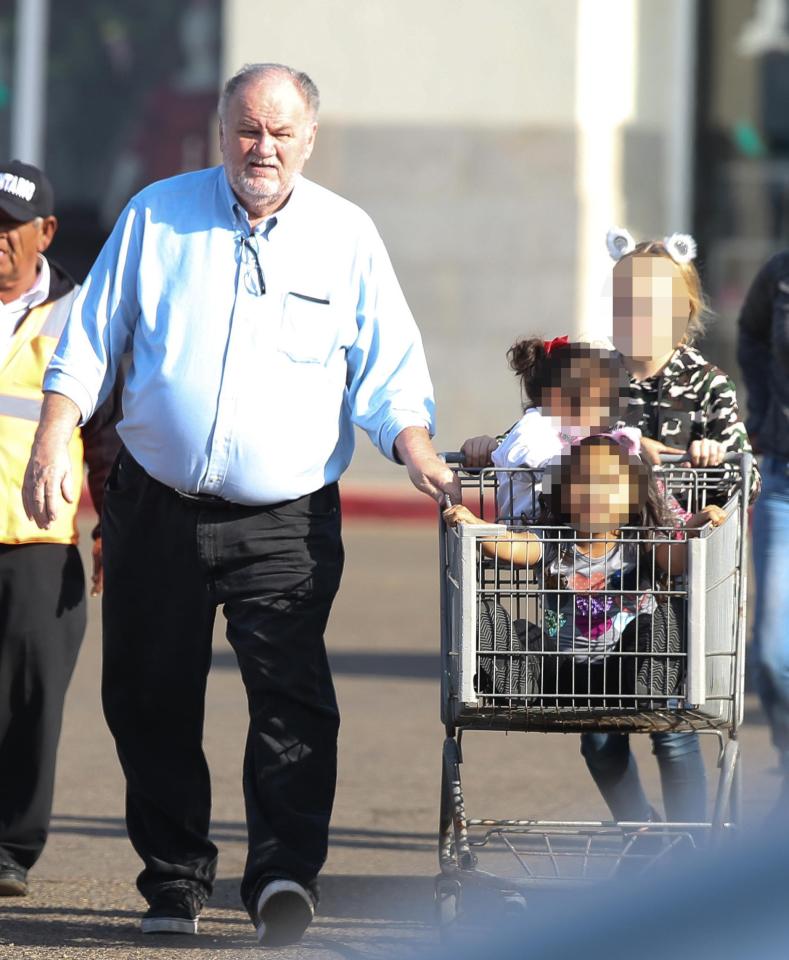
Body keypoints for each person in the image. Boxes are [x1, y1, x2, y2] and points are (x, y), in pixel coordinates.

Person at [21, 64, 457, 946]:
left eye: (280, 133)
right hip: (155, 506)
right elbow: (88, 343)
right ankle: (174, 881)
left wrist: (415, 450)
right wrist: (49, 440)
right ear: (220, 133)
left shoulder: (347, 236)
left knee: (291, 699)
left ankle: (283, 876)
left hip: (284, 520)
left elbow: (389, 373)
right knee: (148, 698)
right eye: (247, 130)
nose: (263, 148)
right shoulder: (156, 215)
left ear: (309, 139)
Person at [445, 436, 724, 825]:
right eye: (582, 484)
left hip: (628, 672)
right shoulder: (554, 542)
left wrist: (695, 526)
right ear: (563, 494)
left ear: (630, 495)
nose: (595, 495)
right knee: (596, 744)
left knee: (651, 626)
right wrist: (477, 528)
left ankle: (655, 684)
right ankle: (639, 826)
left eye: (608, 485)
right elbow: (516, 547)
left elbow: (674, 560)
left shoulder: (638, 542)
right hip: (565, 674)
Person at [0, 161, 120, 897]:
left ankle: (9, 845)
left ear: (45, 231)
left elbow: (108, 435)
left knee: (29, 702)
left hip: (38, 542)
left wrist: (111, 526)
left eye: (9, 229)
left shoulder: (82, 316)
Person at [737, 250, 789, 816]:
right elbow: (750, 337)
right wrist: (762, 409)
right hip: (782, 480)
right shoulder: (778, 275)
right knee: (773, 652)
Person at [484, 336, 638, 522]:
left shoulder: (579, 428)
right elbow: (523, 458)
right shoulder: (534, 424)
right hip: (528, 533)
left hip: (566, 529)